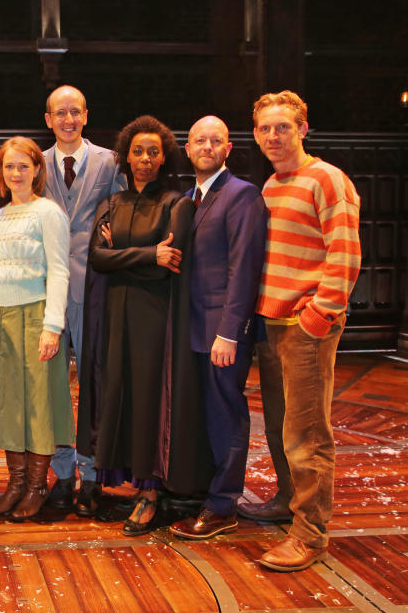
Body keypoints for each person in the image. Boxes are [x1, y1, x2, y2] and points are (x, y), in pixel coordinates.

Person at [245, 91, 361, 572]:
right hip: (272, 325)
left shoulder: (328, 179)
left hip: (306, 328)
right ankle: (287, 499)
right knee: (278, 425)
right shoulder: (272, 186)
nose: (273, 136)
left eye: (282, 127)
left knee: (307, 433)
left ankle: (310, 535)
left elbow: (346, 253)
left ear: (302, 129)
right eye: (265, 128)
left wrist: (318, 317)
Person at [79, 115, 209, 537]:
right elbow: (97, 258)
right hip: (117, 316)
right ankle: (127, 483)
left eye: (154, 151)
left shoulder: (178, 204)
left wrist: (132, 256)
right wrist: (147, 254)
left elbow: (167, 267)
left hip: (157, 321)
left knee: (151, 402)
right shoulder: (110, 205)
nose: (145, 159)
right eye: (138, 151)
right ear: (125, 157)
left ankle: (151, 493)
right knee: (120, 395)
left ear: (164, 157)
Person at [168, 116, 267, 541]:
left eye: (216, 141)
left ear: (228, 150)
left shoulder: (242, 196)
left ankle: (224, 504)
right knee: (202, 416)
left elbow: (243, 269)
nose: (207, 147)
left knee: (225, 415)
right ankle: (204, 493)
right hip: (190, 328)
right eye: (199, 141)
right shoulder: (189, 198)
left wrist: (230, 332)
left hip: (221, 333)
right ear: (187, 150)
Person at [0, 136, 74, 522]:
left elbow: (59, 272)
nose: (15, 173)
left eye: (22, 166)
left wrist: (52, 327)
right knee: (7, 405)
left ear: (36, 170)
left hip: (34, 317)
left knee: (37, 405)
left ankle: (36, 487)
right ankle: (14, 484)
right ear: (1, 172)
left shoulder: (48, 213)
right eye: (8, 166)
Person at [41, 85, 125, 514]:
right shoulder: (34, 165)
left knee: (95, 382)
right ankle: (61, 473)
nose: (68, 119)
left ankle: (92, 474)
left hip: (96, 288)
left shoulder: (109, 161)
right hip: (49, 292)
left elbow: (125, 209)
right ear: (48, 118)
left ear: (86, 115)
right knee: (54, 386)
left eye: (75, 112)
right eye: (60, 113)